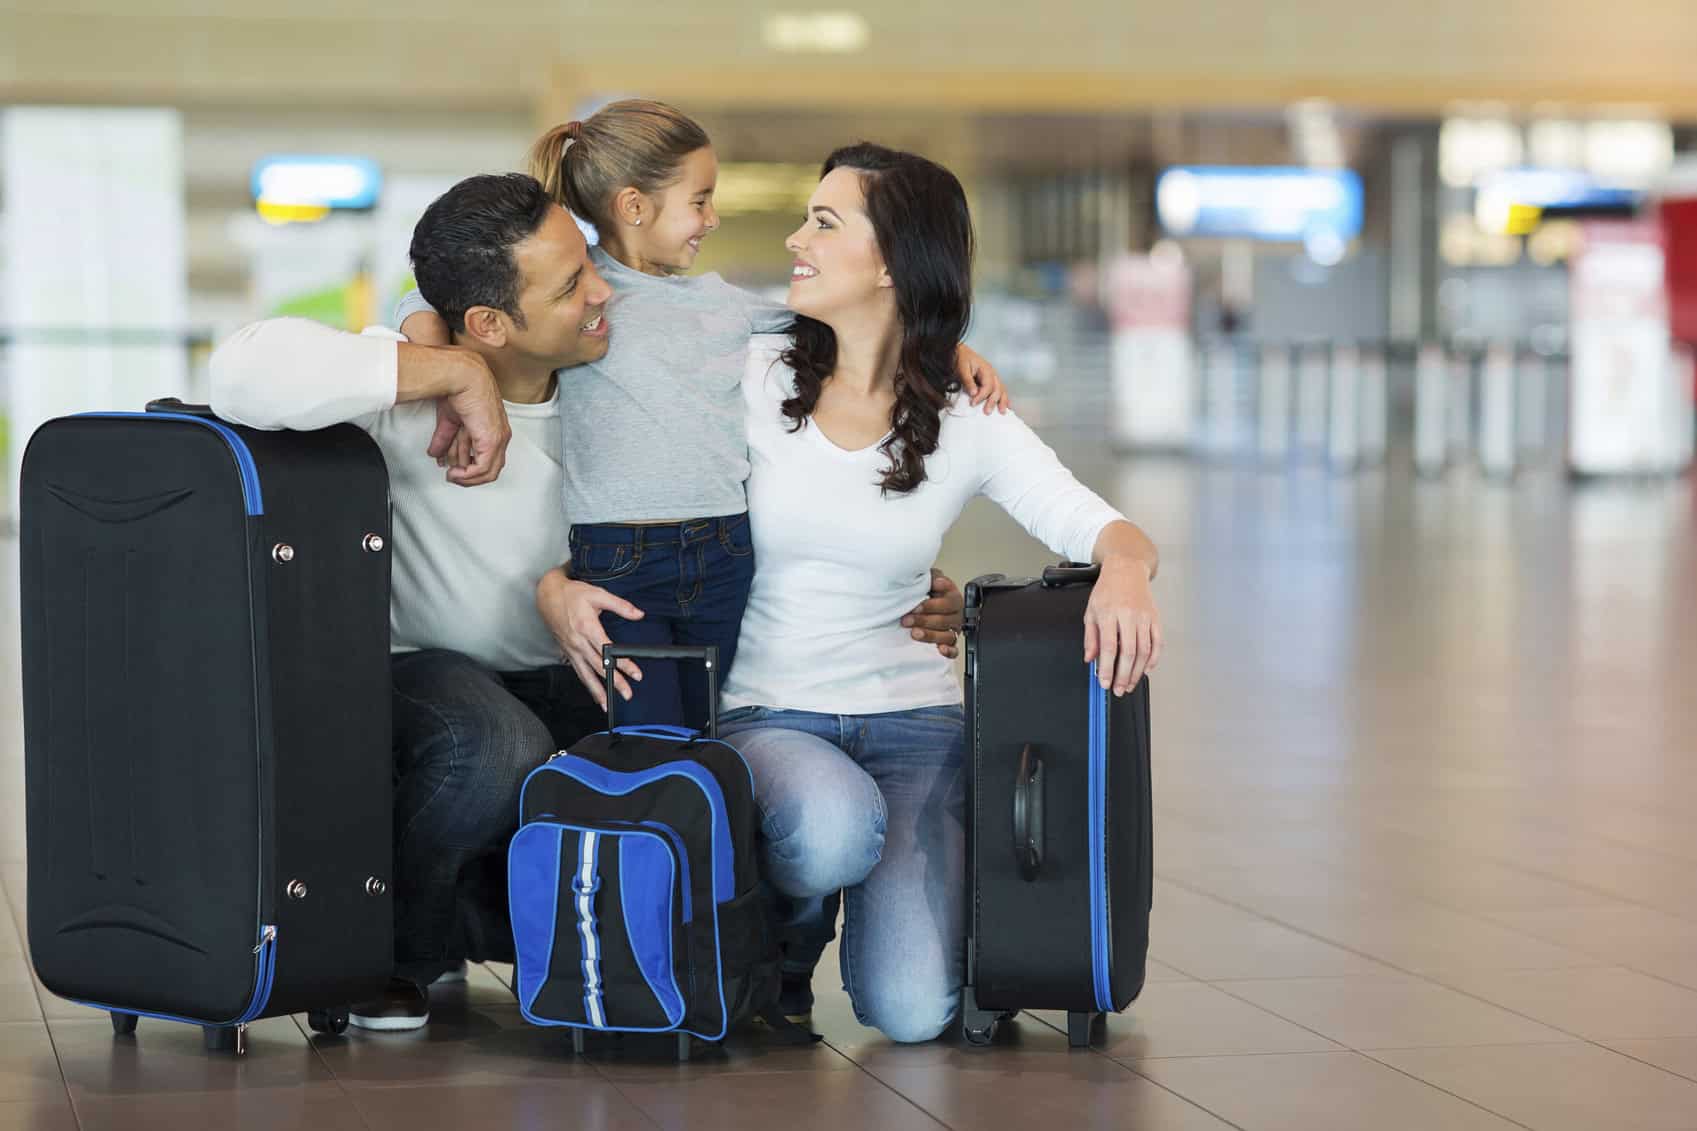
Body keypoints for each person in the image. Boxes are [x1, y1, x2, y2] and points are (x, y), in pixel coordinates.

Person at [539, 143, 1164, 1044]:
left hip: (918, 723)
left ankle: (843, 914)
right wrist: (556, 584)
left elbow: (1098, 524)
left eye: (824, 224)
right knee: (832, 828)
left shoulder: (963, 413)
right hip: (765, 712)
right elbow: (585, 462)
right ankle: (785, 939)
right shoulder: (740, 375)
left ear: (890, 261)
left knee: (912, 1015)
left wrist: (1128, 571)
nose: (795, 238)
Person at [398, 99, 1008, 730]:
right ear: (634, 207)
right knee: (652, 734)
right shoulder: (581, 297)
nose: (713, 219)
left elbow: (852, 322)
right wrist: (445, 361)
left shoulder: (723, 305)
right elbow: (440, 288)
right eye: (700, 201)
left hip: (723, 548)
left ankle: (708, 819)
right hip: (621, 556)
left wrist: (941, 344)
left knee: (717, 723)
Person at [209, 173, 617, 1032]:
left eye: (591, 265)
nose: (601, 291)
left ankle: (546, 940)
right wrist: (449, 371)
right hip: (422, 672)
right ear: (488, 324)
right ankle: (394, 952)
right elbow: (241, 370)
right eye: (571, 284)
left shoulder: (617, 384)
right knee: (493, 744)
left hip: (578, 665)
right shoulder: (407, 390)